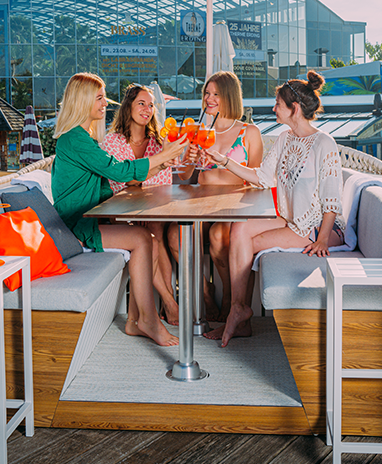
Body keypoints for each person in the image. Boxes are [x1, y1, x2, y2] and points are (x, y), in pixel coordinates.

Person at [201, 71, 345, 347]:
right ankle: (239, 310)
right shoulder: (284, 139)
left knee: (246, 242)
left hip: (316, 228)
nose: (273, 108)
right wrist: (223, 160)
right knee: (239, 228)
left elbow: (332, 199)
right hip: (289, 220)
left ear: (295, 108)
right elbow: (262, 177)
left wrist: (323, 238)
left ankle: (237, 313)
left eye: (277, 104)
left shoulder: (324, 143)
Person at [51, 73, 188, 346]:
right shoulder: (75, 139)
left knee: (145, 238)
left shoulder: (82, 138)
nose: (105, 103)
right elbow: (119, 171)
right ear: (83, 101)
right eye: (100, 98)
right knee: (141, 238)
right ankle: (147, 320)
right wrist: (164, 156)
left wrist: (164, 159)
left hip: (89, 218)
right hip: (77, 225)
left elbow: (124, 175)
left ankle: (136, 320)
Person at [167, 71, 263, 321]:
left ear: (229, 97)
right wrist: (188, 160)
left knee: (219, 236)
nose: (209, 99)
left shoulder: (249, 133)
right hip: (200, 201)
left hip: (233, 202)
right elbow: (187, 174)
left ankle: (231, 302)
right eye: (207, 93)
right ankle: (206, 292)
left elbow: (258, 178)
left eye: (216, 94)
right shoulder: (198, 130)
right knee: (177, 237)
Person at [101, 84, 178, 325]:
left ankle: (167, 304)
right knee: (150, 235)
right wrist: (156, 167)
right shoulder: (112, 142)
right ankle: (170, 302)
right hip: (119, 212)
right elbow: (120, 181)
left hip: (153, 209)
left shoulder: (158, 143)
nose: (147, 109)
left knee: (155, 231)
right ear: (128, 107)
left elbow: (163, 184)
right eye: (141, 103)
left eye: (151, 105)